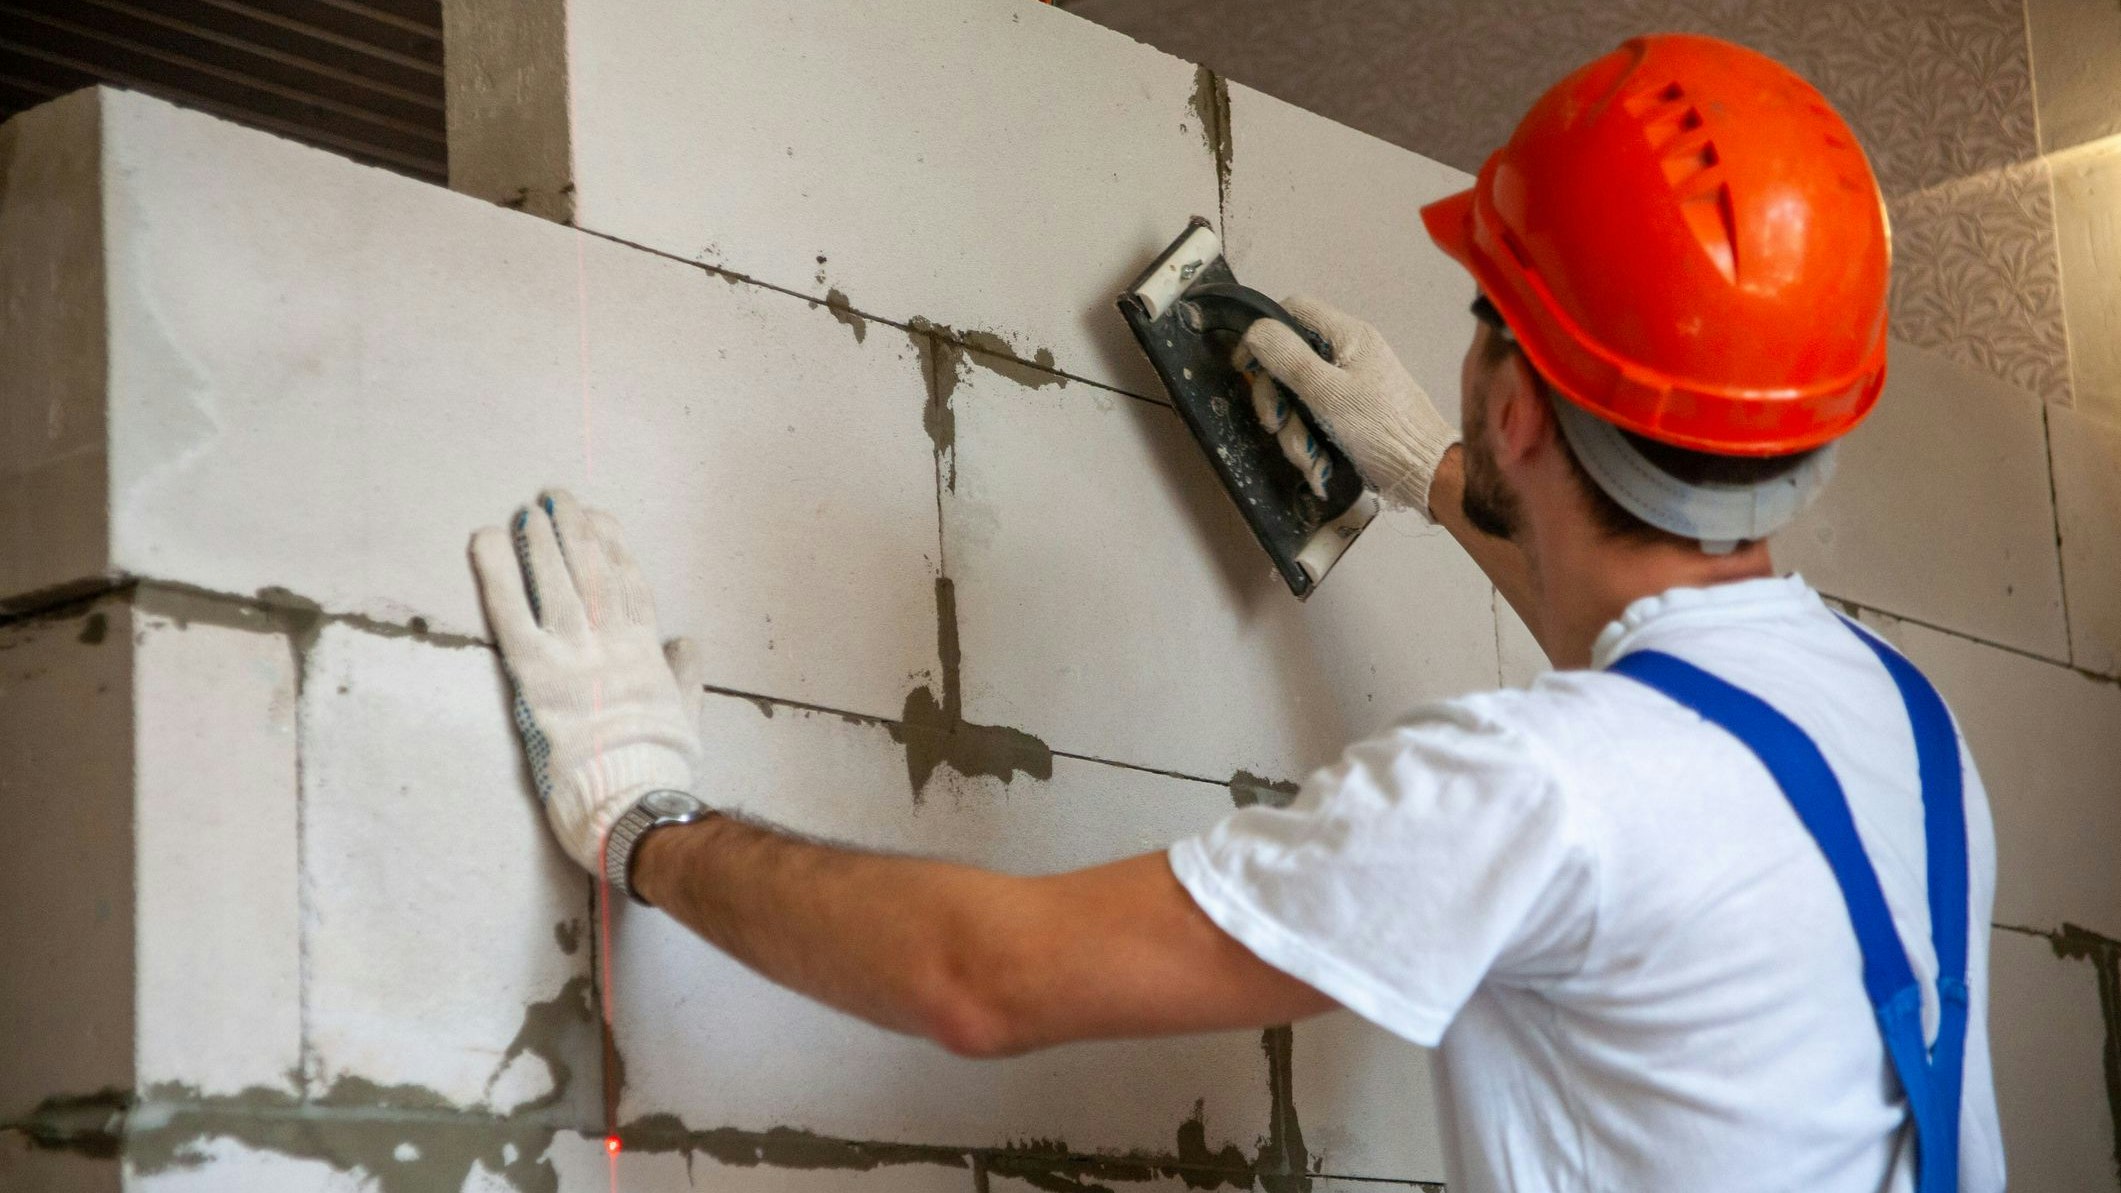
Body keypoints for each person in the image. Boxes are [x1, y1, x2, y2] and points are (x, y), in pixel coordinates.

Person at [469, 33, 2001, 1193]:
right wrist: (1431, 470)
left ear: (1518, 401)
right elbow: (1668, 715)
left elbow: (981, 976)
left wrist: (645, 822)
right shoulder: (1902, 726)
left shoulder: (1532, 786)